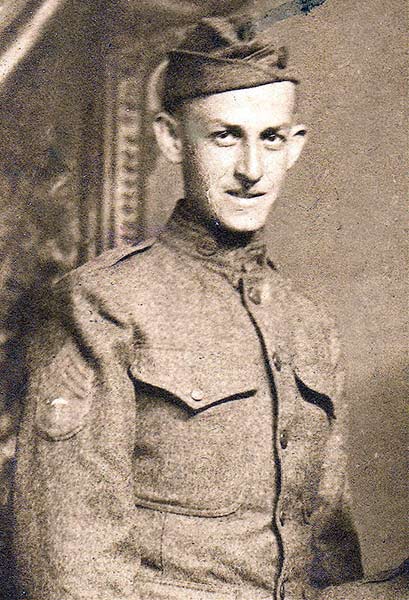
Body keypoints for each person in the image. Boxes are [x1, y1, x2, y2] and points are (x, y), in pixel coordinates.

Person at [13, 16, 407, 600]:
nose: (251, 169)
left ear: (295, 147)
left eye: (270, 137)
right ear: (172, 139)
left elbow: (325, 557)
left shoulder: (309, 326)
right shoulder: (104, 304)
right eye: (225, 136)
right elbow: (66, 569)